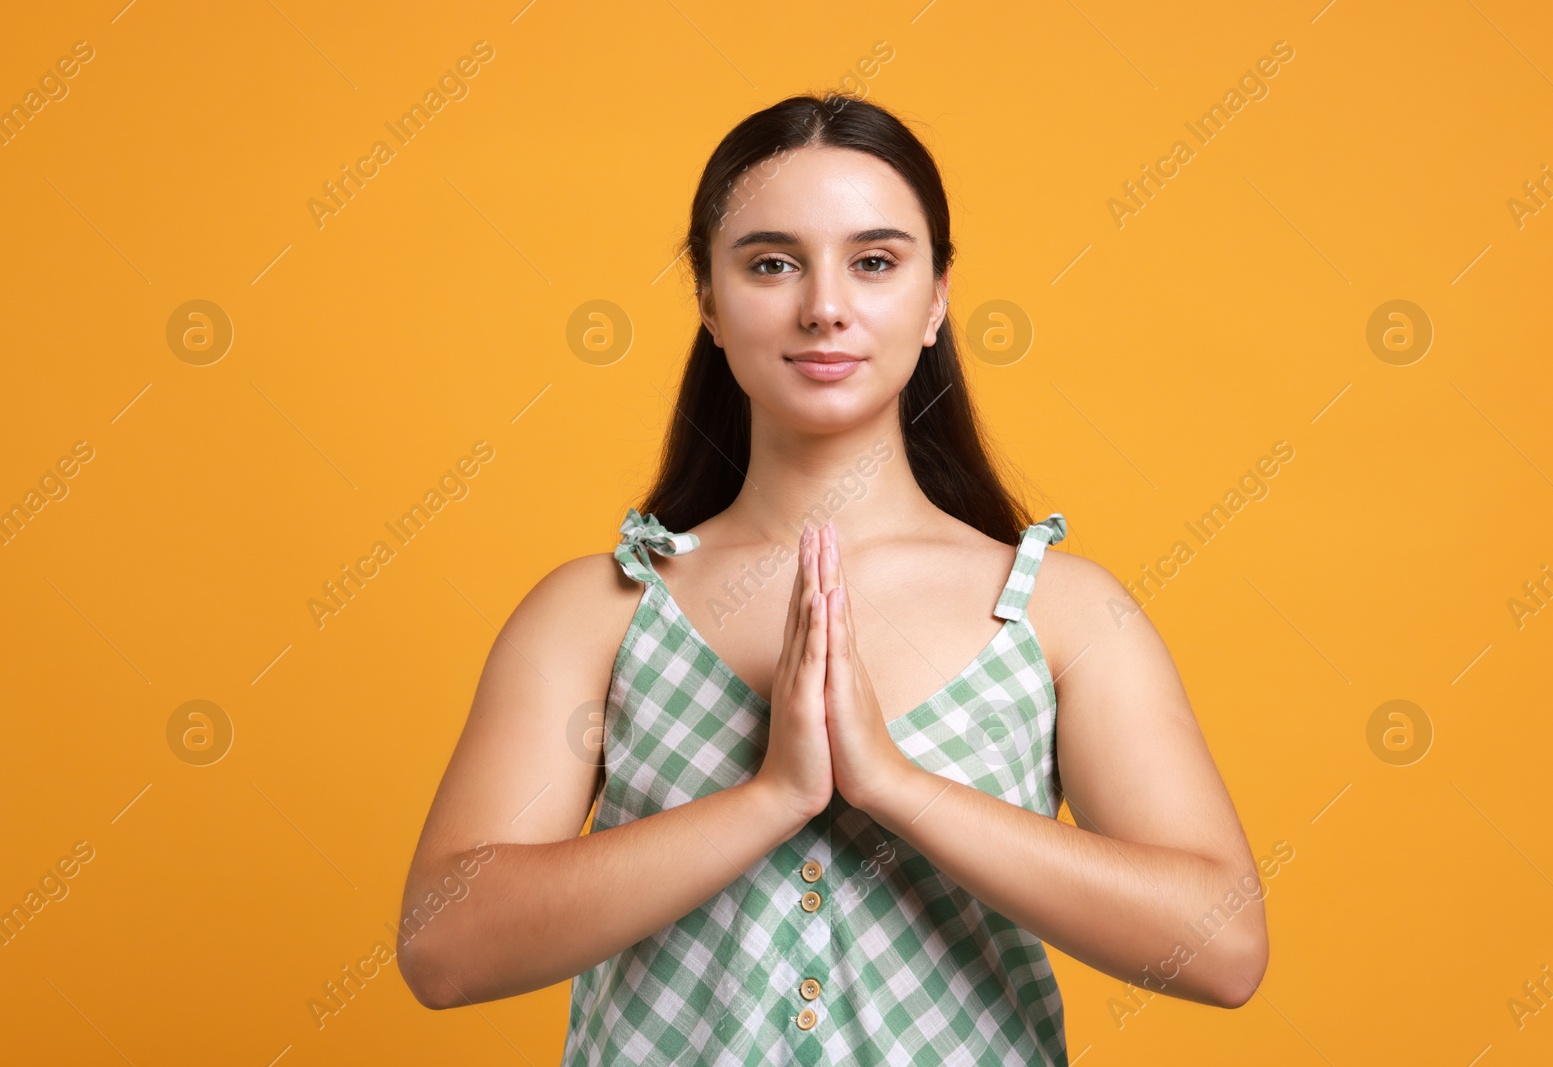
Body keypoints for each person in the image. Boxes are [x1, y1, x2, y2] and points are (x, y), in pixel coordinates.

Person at [396, 91, 1267, 1064]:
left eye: (875, 261)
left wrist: (895, 785)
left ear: (935, 295)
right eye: (771, 263)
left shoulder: (1060, 613)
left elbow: (1223, 947)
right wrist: (770, 795)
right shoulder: (596, 612)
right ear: (707, 302)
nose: (823, 306)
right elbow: (443, 947)